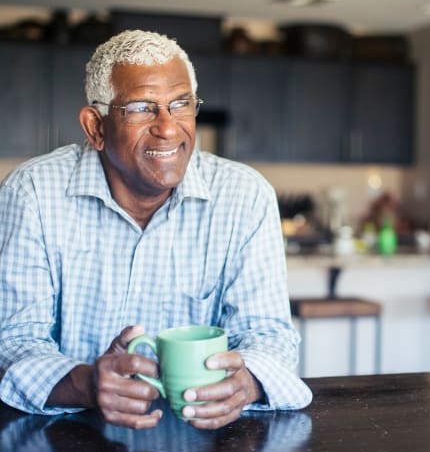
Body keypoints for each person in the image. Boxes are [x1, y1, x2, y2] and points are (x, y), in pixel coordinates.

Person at [0, 30, 312, 429]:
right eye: (142, 108)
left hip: (206, 444)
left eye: (180, 104)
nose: (168, 128)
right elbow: (14, 342)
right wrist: (87, 384)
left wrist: (247, 383)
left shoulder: (245, 196)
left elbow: (268, 334)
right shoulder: (32, 193)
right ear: (95, 126)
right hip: (66, 442)